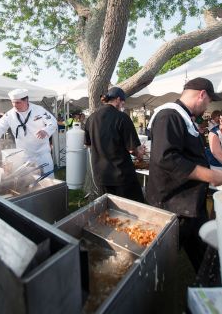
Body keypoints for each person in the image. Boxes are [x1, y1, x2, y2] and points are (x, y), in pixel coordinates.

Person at [146, 77, 222, 273]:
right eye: (208, 102)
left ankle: (209, 291)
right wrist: (211, 176)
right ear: (202, 94)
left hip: (190, 203)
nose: (207, 107)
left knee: (206, 256)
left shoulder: (183, 117)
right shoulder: (169, 116)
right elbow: (166, 158)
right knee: (157, 260)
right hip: (174, 205)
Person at [0, 89, 58, 176]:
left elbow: (53, 123)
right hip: (24, 156)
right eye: (13, 103)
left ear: (26, 100)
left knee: (47, 181)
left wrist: (45, 130)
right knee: (28, 182)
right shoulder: (10, 115)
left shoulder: (39, 110)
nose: (15, 106)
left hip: (42, 155)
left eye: (18, 103)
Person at [85, 86, 145, 202]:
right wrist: (140, 153)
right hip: (121, 176)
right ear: (118, 99)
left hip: (100, 175)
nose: (123, 105)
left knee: (109, 209)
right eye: (123, 102)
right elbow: (132, 149)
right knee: (131, 210)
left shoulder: (91, 118)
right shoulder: (122, 118)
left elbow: (88, 144)